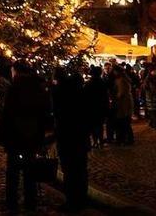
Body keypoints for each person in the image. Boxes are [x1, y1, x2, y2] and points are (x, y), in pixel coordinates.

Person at [0, 60, 51, 211]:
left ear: (17, 72)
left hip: (15, 136)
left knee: (13, 171)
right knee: (30, 171)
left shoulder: (14, 88)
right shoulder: (39, 87)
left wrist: (2, 136)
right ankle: (30, 202)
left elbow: (7, 114)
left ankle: (12, 202)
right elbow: (45, 112)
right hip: (33, 136)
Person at [53, 68, 90, 212]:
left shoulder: (60, 94)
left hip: (67, 137)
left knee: (69, 170)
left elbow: (58, 115)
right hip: (80, 136)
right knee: (80, 169)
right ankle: (81, 199)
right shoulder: (80, 94)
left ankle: (72, 201)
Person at [83, 66, 109, 148]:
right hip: (100, 106)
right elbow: (105, 96)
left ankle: (95, 142)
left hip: (91, 107)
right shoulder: (102, 83)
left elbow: (85, 96)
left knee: (93, 125)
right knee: (99, 125)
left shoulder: (88, 84)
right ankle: (100, 141)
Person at [114, 67, 134, 145]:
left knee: (124, 121)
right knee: (126, 121)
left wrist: (116, 98)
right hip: (127, 101)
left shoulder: (121, 80)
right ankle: (129, 138)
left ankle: (128, 139)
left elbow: (121, 93)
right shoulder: (125, 79)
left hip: (123, 103)